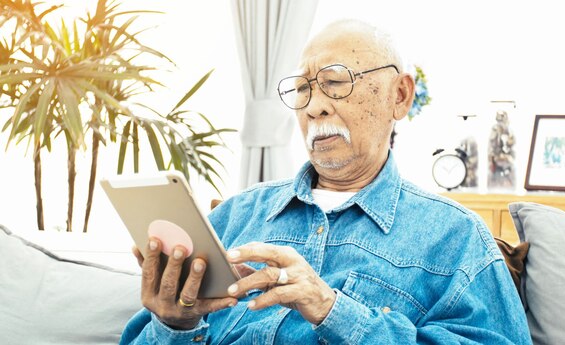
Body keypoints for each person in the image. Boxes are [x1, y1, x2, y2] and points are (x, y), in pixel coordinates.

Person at [121, 19, 531, 344]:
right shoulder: (235, 216)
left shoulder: (457, 239)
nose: (315, 106)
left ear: (400, 95)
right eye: (302, 89)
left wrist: (332, 310)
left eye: (336, 83)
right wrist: (175, 326)